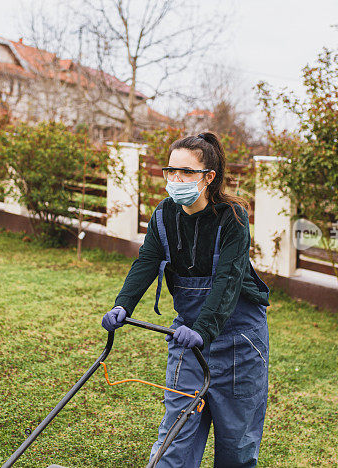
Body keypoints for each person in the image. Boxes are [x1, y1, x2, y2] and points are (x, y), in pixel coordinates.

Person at [101, 132, 271, 467]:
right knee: (175, 442)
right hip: (188, 340)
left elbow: (227, 281)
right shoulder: (164, 214)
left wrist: (205, 329)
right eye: (171, 171)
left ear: (209, 177)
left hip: (239, 343)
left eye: (187, 172)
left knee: (236, 446)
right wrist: (123, 304)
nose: (176, 179)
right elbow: (147, 261)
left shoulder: (232, 218)